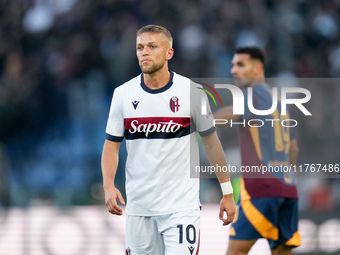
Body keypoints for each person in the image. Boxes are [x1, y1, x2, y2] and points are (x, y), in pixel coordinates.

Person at [101, 24, 236, 255]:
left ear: (169, 53)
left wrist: (228, 192)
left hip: (181, 208)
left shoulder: (193, 92)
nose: (144, 52)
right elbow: (111, 146)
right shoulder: (123, 94)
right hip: (139, 209)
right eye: (140, 47)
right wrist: (108, 186)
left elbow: (212, 143)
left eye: (152, 46)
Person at [214, 47, 301, 255]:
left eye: (241, 65)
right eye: (233, 65)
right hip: (288, 189)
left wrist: (197, 120)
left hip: (261, 189)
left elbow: (231, 113)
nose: (234, 70)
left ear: (258, 68)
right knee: (282, 252)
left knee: (235, 252)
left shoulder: (252, 94)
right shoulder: (280, 99)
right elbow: (294, 147)